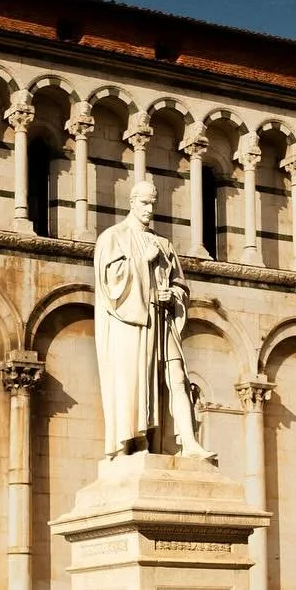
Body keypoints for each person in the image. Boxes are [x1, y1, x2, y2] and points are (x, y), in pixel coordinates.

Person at [93, 179, 214, 461]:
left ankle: (190, 443)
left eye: (153, 204)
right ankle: (130, 444)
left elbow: (181, 285)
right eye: (144, 203)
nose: (149, 209)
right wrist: (143, 263)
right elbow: (109, 284)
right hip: (132, 323)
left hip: (163, 321)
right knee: (132, 382)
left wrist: (172, 294)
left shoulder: (164, 243)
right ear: (132, 202)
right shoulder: (113, 237)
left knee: (178, 378)